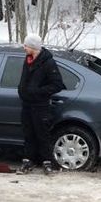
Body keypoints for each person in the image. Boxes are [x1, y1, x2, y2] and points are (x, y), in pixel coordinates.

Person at [17, 34, 65, 174]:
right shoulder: (28, 60)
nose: (24, 47)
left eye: (26, 45)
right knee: (28, 134)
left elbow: (57, 84)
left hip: (41, 105)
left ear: (33, 47)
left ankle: (47, 161)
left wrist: (37, 92)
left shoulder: (48, 63)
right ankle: (28, 160)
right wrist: (22, 90)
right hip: (27, 104)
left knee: (42, 134)